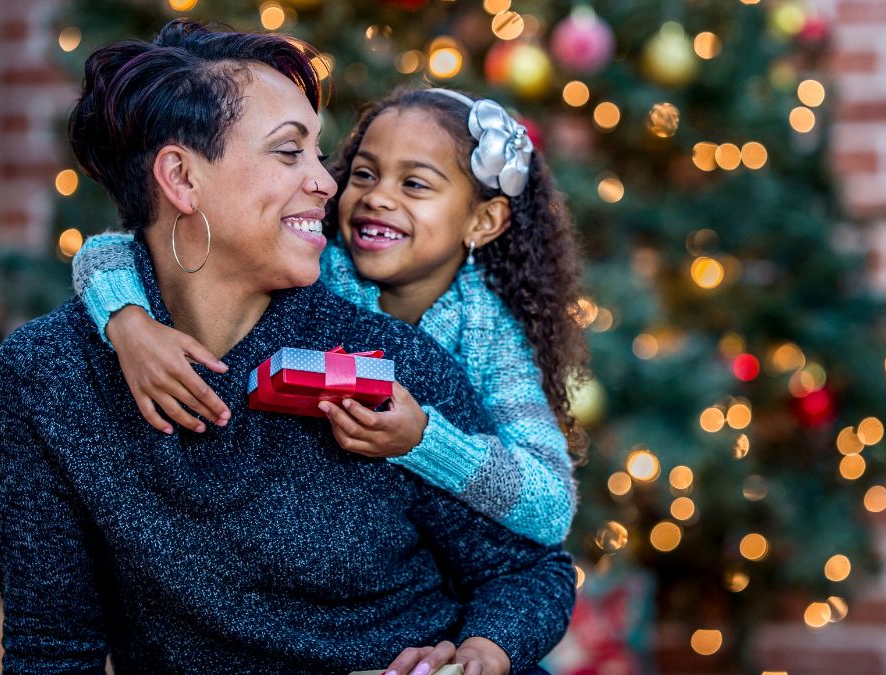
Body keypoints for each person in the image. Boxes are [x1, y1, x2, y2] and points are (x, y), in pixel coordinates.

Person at [0, 19, 575, 675]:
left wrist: (478, 654)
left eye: (319, 153)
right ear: (180, 178)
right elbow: (51, 649)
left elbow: (532, 565)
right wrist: (125, 321)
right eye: (288, 151)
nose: (329, 184)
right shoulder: (49, 374)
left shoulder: (392, 358)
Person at [72, 86, 589, 547]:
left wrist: (425, 441)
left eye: (415, 184)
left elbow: (552, 506)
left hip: (433, 578)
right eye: (364, 173)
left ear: (484, 219)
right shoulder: (315, 268)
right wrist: (129, 325)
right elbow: (111, 252)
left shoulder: (489, 335)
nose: (376, 197)